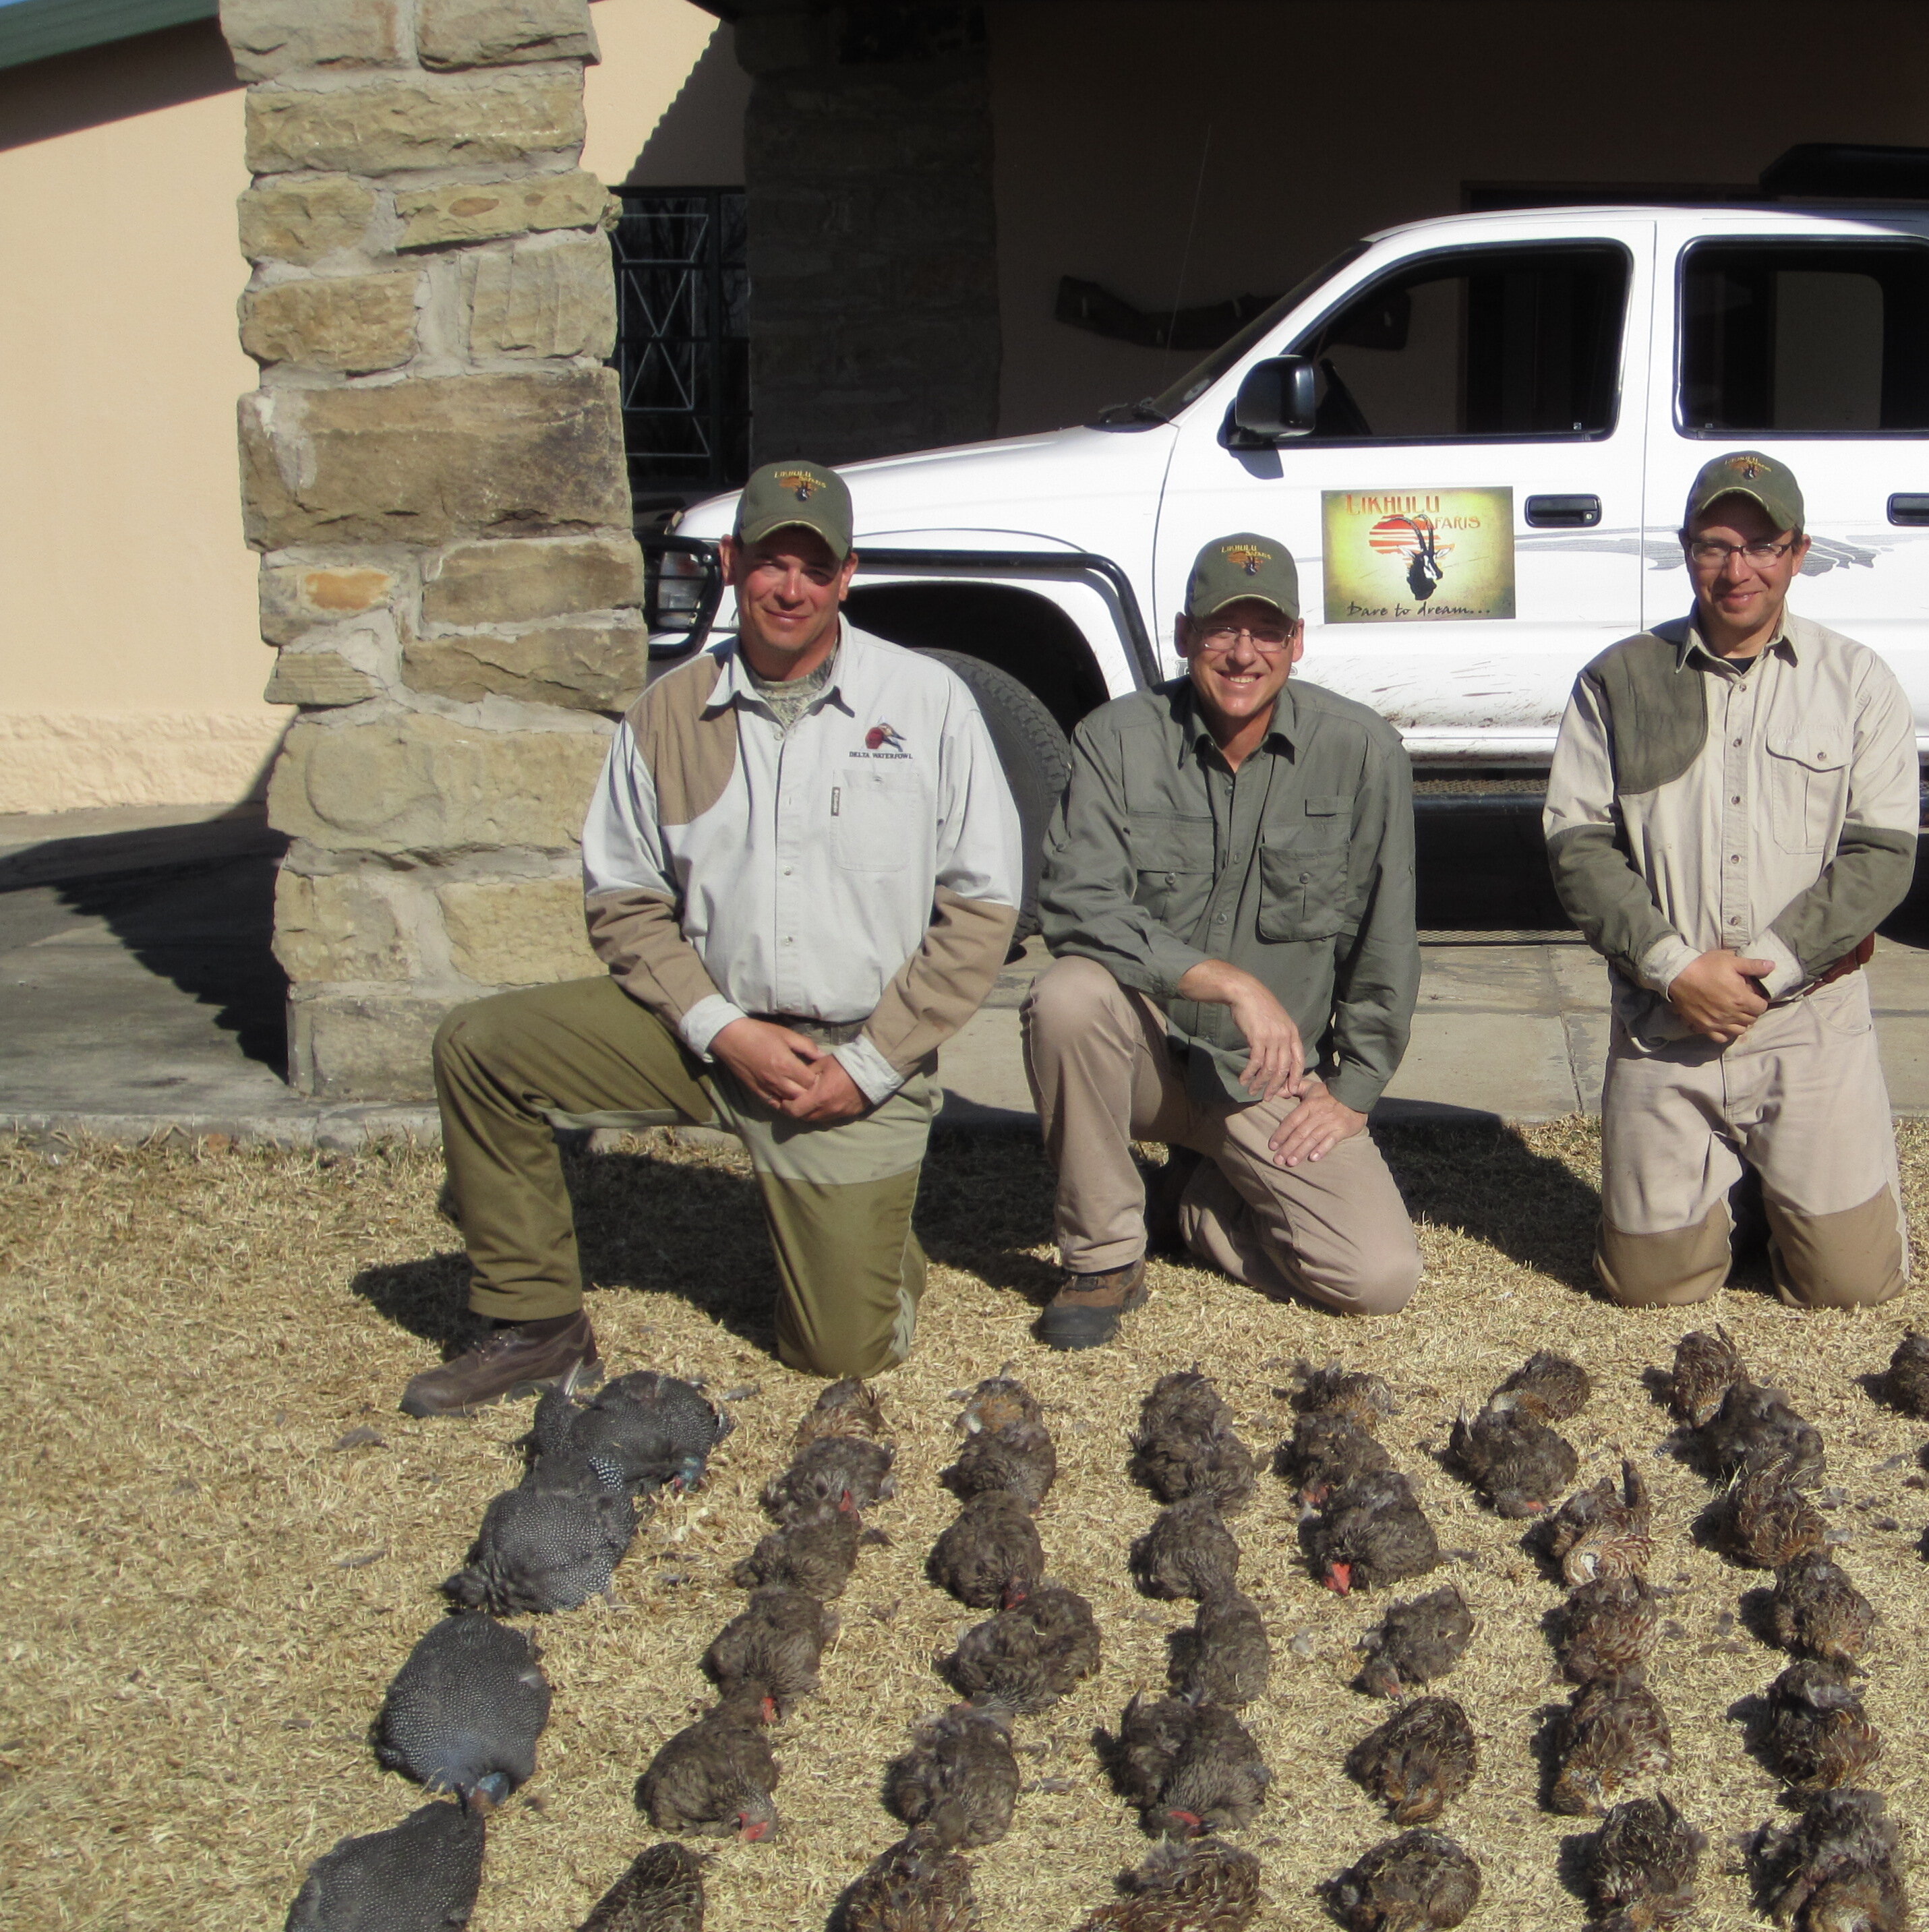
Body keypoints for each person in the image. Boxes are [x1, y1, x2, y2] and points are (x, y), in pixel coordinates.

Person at [398, 459, 1027, 1414]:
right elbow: (621, 897)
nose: (790, 588)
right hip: (702, 1032)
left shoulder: (928, 702)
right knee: (482, 1050)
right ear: (731, 563)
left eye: (814, 570)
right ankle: (535, 1327)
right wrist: (719, 1027)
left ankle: (875, 1235)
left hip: (854, 1054)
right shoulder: (666, 712)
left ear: (848, 576)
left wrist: (865, 1066)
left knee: (837, 1353)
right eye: (770, 561)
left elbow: (982, 910)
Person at [1021, 531, 1422, 1350]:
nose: (1243, 654)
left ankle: (1200, 1207)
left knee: (1378, 1278)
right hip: (1147, 1060)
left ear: (1297, 642)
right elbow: (1075, 901)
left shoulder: (1361, 750)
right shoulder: (1116, 738)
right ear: (1182, 635)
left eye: (1266, 632)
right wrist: (1227, 982)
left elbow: (1387, 929)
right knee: (1065, 996)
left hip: (1266, 1078)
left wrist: (1355, 1086)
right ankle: (1104, 1258)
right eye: (1220, 630)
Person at [1542, 450, 1918, 1310]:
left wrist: (1771, 971)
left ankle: (1771, 1182)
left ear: (1798, 552)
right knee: (1648, 1289)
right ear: (1685, 551)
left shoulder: (1859, 682)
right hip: (1664, 1020)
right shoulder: (1617, 681)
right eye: (1715, 545)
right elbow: (1578, 847)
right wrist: (1677, 969)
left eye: (1762, 546)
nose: (1737, 570)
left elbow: (1883, 856)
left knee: (1850, 1287)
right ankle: (1737, 1193)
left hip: (1807, 1021)